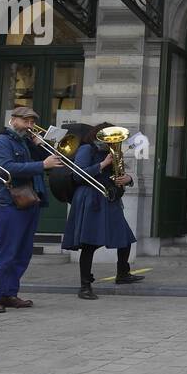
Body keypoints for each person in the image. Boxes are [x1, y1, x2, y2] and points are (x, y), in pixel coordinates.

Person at [0, 106, 62, 313]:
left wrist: (41, 147)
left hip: (29, 201)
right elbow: (8, 168)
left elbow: (47, 161)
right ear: (13, 120)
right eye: (25, 121)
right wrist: (42, 164)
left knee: (22, 253)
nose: (30, 125)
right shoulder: (1, 142)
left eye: (32, 121)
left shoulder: (26, 142)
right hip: (7, 202)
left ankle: (8, 293)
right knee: (4, 253)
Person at [63, 123, 143, 298]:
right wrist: (102, 164)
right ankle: (85, 286)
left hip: (108, 197)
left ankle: (122, 273)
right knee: (90, 243)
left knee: (125, 237)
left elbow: (118, 174)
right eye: (108, 138)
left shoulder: (114, 151)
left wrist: (128, 179)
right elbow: (78, 175)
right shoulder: (86, 149)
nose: (112, 141)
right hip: (90, 198)